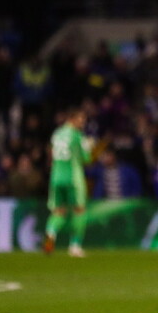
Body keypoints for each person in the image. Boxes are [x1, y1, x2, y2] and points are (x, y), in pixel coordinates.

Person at [43, 108, 94, 257]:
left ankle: (49, 238)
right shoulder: (77, 136)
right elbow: (86, 159)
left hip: (56, 177)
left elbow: (51, 156)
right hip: (73, 177)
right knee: (79, 210)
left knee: (58, 211)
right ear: (71, 119)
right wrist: (90, 147)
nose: (83, 123)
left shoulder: (57, 134)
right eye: (80, 119)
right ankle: (75, 246)